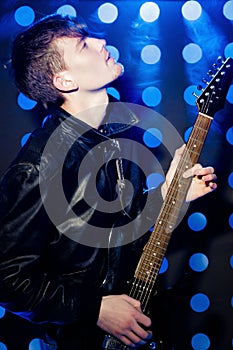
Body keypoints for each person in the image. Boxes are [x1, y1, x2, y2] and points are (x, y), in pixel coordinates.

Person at [0, 13, 217, 350]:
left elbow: (115, 230)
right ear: (65, 81)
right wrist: (95, 309)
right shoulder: (38, 168)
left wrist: (168, 195)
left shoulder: (116, 135)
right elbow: (6, 278)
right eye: (84, 46)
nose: (101, 43)